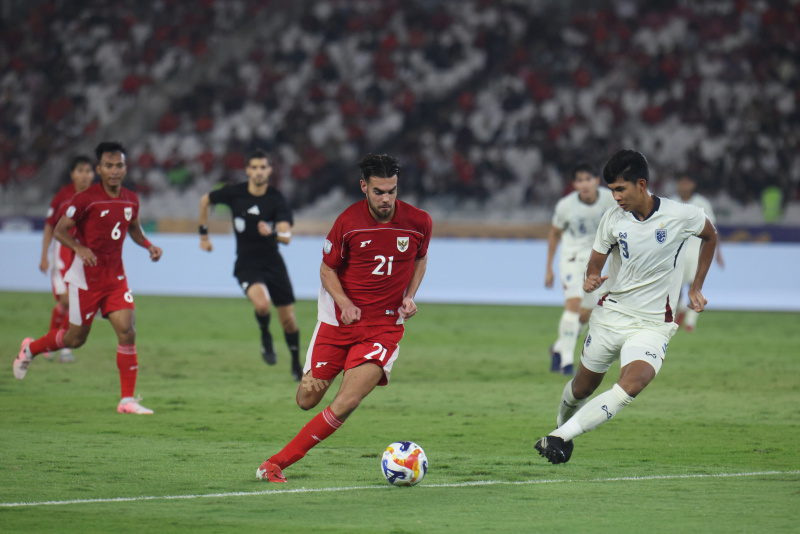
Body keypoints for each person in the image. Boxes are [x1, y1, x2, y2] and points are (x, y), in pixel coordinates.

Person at [256, 153, 432, 483]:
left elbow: (420, 259)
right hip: (339, 325)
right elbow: (327, 269)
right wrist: (344, 302)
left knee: (348, 400)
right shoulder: (348, 223)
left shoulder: (419, 221)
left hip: (383, 328)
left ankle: (275, 463)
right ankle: (341, 364)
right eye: (379, 191)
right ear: (364, 187)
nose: (386, 199)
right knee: (307, 399)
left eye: (392, 191)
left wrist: (410, 296)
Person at [534, 150, 717, 464]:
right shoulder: (613, 220)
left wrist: (697, 285)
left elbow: (710, 236)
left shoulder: (681, 215)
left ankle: (560, 437)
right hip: (611, 316)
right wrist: (592, 278)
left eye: (620, 189)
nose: (615, 196)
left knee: (632, 383)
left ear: (641, 184)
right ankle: (561, 426)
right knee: (581, 388)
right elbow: (595, 263)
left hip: (653, 325)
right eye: (612, 190)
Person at [13, 142, 163, 415]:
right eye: (109, 166)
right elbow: (60, 230)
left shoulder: (131, 199)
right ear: (99, 169)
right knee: (75, 339)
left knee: (128, 331)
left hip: (116, 278)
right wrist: (79, 249)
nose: (114, 171)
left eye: (119, 165)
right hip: (85, 280)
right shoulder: (84, 200)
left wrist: (149, 245)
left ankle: (126, 400)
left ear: (125, 168)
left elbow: (134, 230)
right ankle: (31, 348)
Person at [199, 149, 302, 380]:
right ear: (247, 170)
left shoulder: (276, 198)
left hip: (273, 262)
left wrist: (273, 232)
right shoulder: (235, 193)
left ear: (269, 170)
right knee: (263, 305)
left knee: (288, 320)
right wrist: (203, 235)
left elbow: (286, 236)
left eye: (262, 167)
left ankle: (296, 363)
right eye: (253, 167)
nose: (258, 172)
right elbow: (205, 200)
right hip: (247, 262)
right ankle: (265, 334)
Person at [545, 163, 617, 375]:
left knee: (585, 314)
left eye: (588, 179)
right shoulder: (565, 206)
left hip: (596, 262)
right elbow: (554, 233)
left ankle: (558, 348)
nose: (584, 184)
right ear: (575, 184)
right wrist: (549, 267)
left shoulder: (610, 200)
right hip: (572, 259)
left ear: (596, 181)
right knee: (573, 304)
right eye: (579, 180)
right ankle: (567, 362)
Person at [38, 155, 95, 363]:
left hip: (82, 252)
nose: (84, 175)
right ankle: (52, 344)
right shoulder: (62, 197)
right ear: (72, 174)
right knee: (65, 298)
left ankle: (59, 346)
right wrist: (44, 255)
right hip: (62, 252)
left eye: (88, 171)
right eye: (80, 171)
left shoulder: (97, 195)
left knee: (74, 302)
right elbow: (49, 227)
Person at [671, 173, 724, 331]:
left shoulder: (701, 203)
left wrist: (718, 252)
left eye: (687, 182)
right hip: (677, 251)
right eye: (681, 182)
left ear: (693, 185)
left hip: (695, 250)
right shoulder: (672, 202)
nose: (683, 186)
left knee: (694, 285)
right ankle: (679, 314)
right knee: (675, 287)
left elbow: (712, 230)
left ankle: (690, 323)